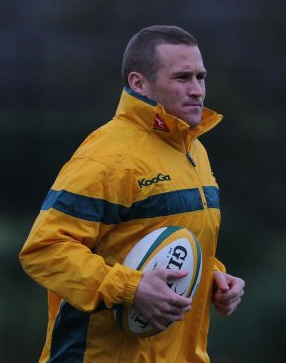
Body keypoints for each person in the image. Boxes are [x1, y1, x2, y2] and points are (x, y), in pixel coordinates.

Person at [19, 25, 245, 362]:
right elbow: (44, 251)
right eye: (182, 78)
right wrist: (132, 288)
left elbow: (163, 240)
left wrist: (210, 275)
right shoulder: (107, 158)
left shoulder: (194, 150)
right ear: (139, 83)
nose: (198, 90)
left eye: (201, 76)